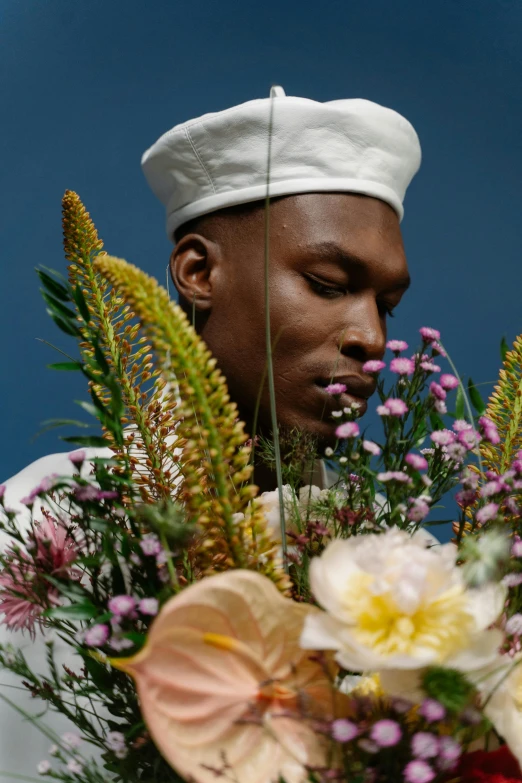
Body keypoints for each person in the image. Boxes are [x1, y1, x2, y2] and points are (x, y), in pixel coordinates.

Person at [0, 86, 421, 775]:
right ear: (199, 272)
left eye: (389, 307)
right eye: (326, 282)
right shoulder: (50, 521)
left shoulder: (383, 550)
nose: (371, 338)